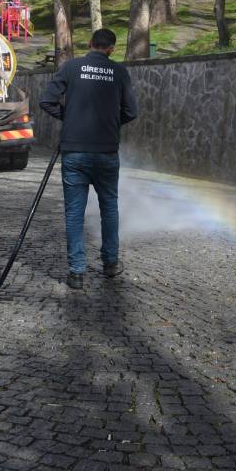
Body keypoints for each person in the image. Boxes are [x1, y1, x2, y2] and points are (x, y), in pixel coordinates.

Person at [38, 29, 139, 290]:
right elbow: (131, 111)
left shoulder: (71, 67)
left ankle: (76, 272)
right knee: (109, 208)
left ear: (90, 44)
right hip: (106, 151)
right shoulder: (119, 72)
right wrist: (111, 123)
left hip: (75, 152)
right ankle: (110, 264)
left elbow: (46, 101)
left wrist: (69, 118)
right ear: (112, 49)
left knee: (74, 212)